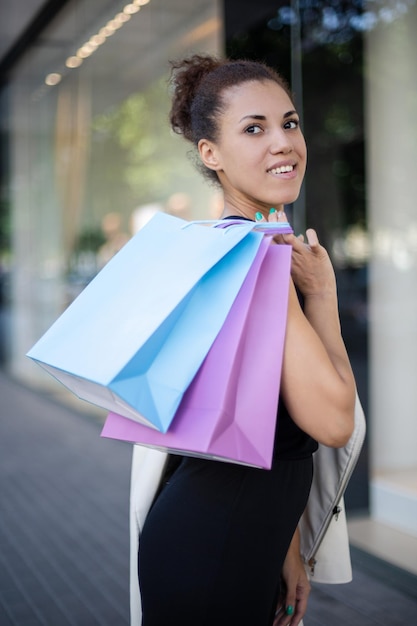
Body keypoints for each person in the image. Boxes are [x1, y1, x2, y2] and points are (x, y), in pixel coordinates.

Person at [136, 54, 357, 626]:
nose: (282, 142)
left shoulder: (226, 247)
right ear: (210, 154)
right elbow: (334, 423)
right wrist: (324, 299)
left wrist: (285, 547)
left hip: (230, 538)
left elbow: (243, 426)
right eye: (253, 129)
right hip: (214, 550)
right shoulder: (253, 261)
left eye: (289, 122)